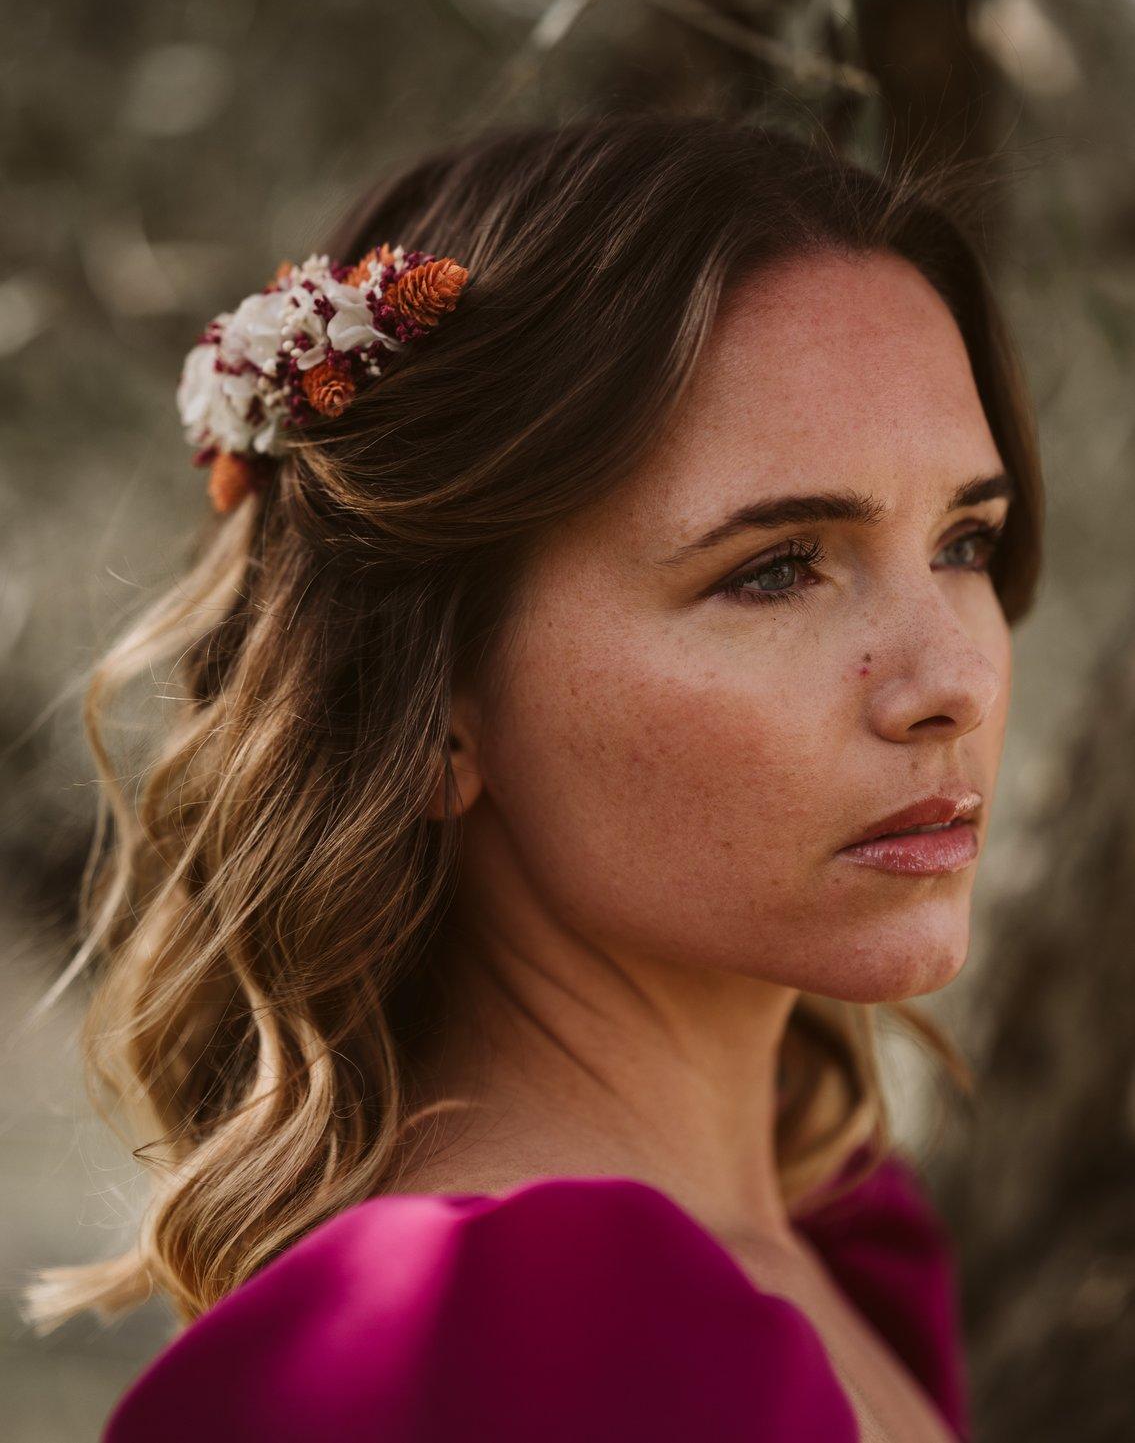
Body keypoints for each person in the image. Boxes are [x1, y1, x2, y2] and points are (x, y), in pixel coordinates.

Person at [23, 114, 1044, 1441]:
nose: (950, 677)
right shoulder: (487, 1335)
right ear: (438, 702)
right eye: (777, 566)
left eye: (966, 539)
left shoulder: (843, 1245)